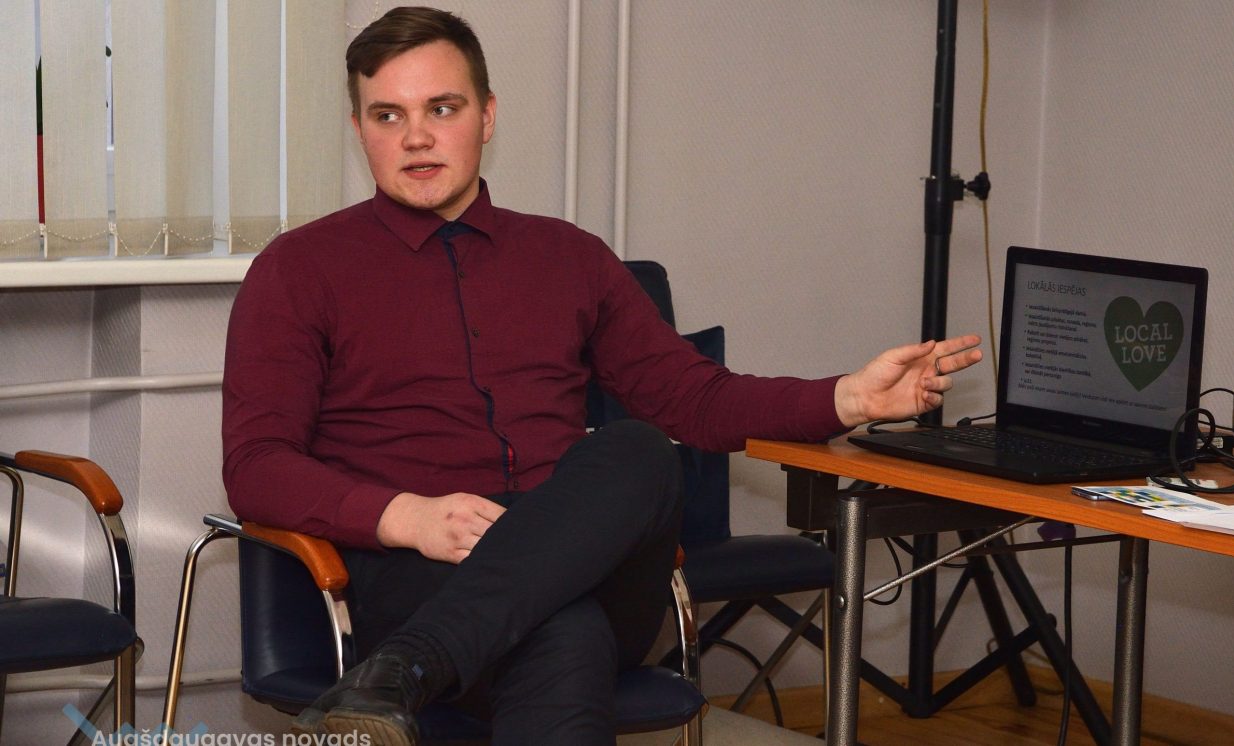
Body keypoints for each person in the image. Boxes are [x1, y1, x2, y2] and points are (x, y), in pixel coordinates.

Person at [221, 6, 982, 745]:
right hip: (418, 571)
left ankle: (401, 672)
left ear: (487, 116)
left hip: (583, 564)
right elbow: (257, 465)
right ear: (359, 129)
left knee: (640, 449)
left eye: (441, 108)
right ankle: (409, 661)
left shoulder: (569, 257)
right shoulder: (299, 269)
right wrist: (407, 517)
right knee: (564, 629)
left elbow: (695, 399)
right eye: (387, 115)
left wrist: (849, 396)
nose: (416, 137)